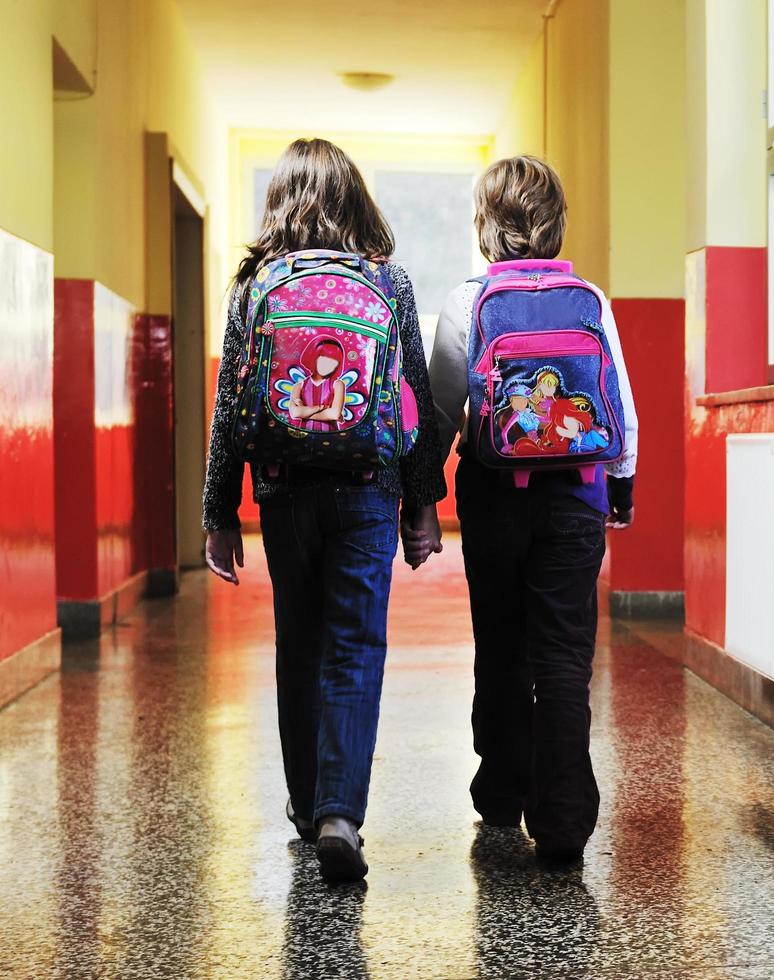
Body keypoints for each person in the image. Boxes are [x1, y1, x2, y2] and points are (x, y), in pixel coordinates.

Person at [202, 138, 445, 884]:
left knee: (297, 642)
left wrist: (220, 509)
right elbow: (413, 398)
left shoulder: (256, 285)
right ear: (355, 202)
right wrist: (421, 503)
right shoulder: (388, 281)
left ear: (280, 204)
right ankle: (342, 812)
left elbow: (231, 406)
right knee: (354, 644)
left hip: (283, 488)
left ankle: (307, 807)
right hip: (367, 486)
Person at [428, 156, 638, 862]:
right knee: (562, 656)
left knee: (500, 643)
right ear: (557, 221)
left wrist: (420, 493)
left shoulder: (467, 301)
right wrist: (623, 482)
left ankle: (501, 791)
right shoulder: (589, 298)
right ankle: (565, 820)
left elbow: (440, 409)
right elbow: (618, 406)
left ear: (484, 224)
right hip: (575, 497)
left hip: (493, 497)